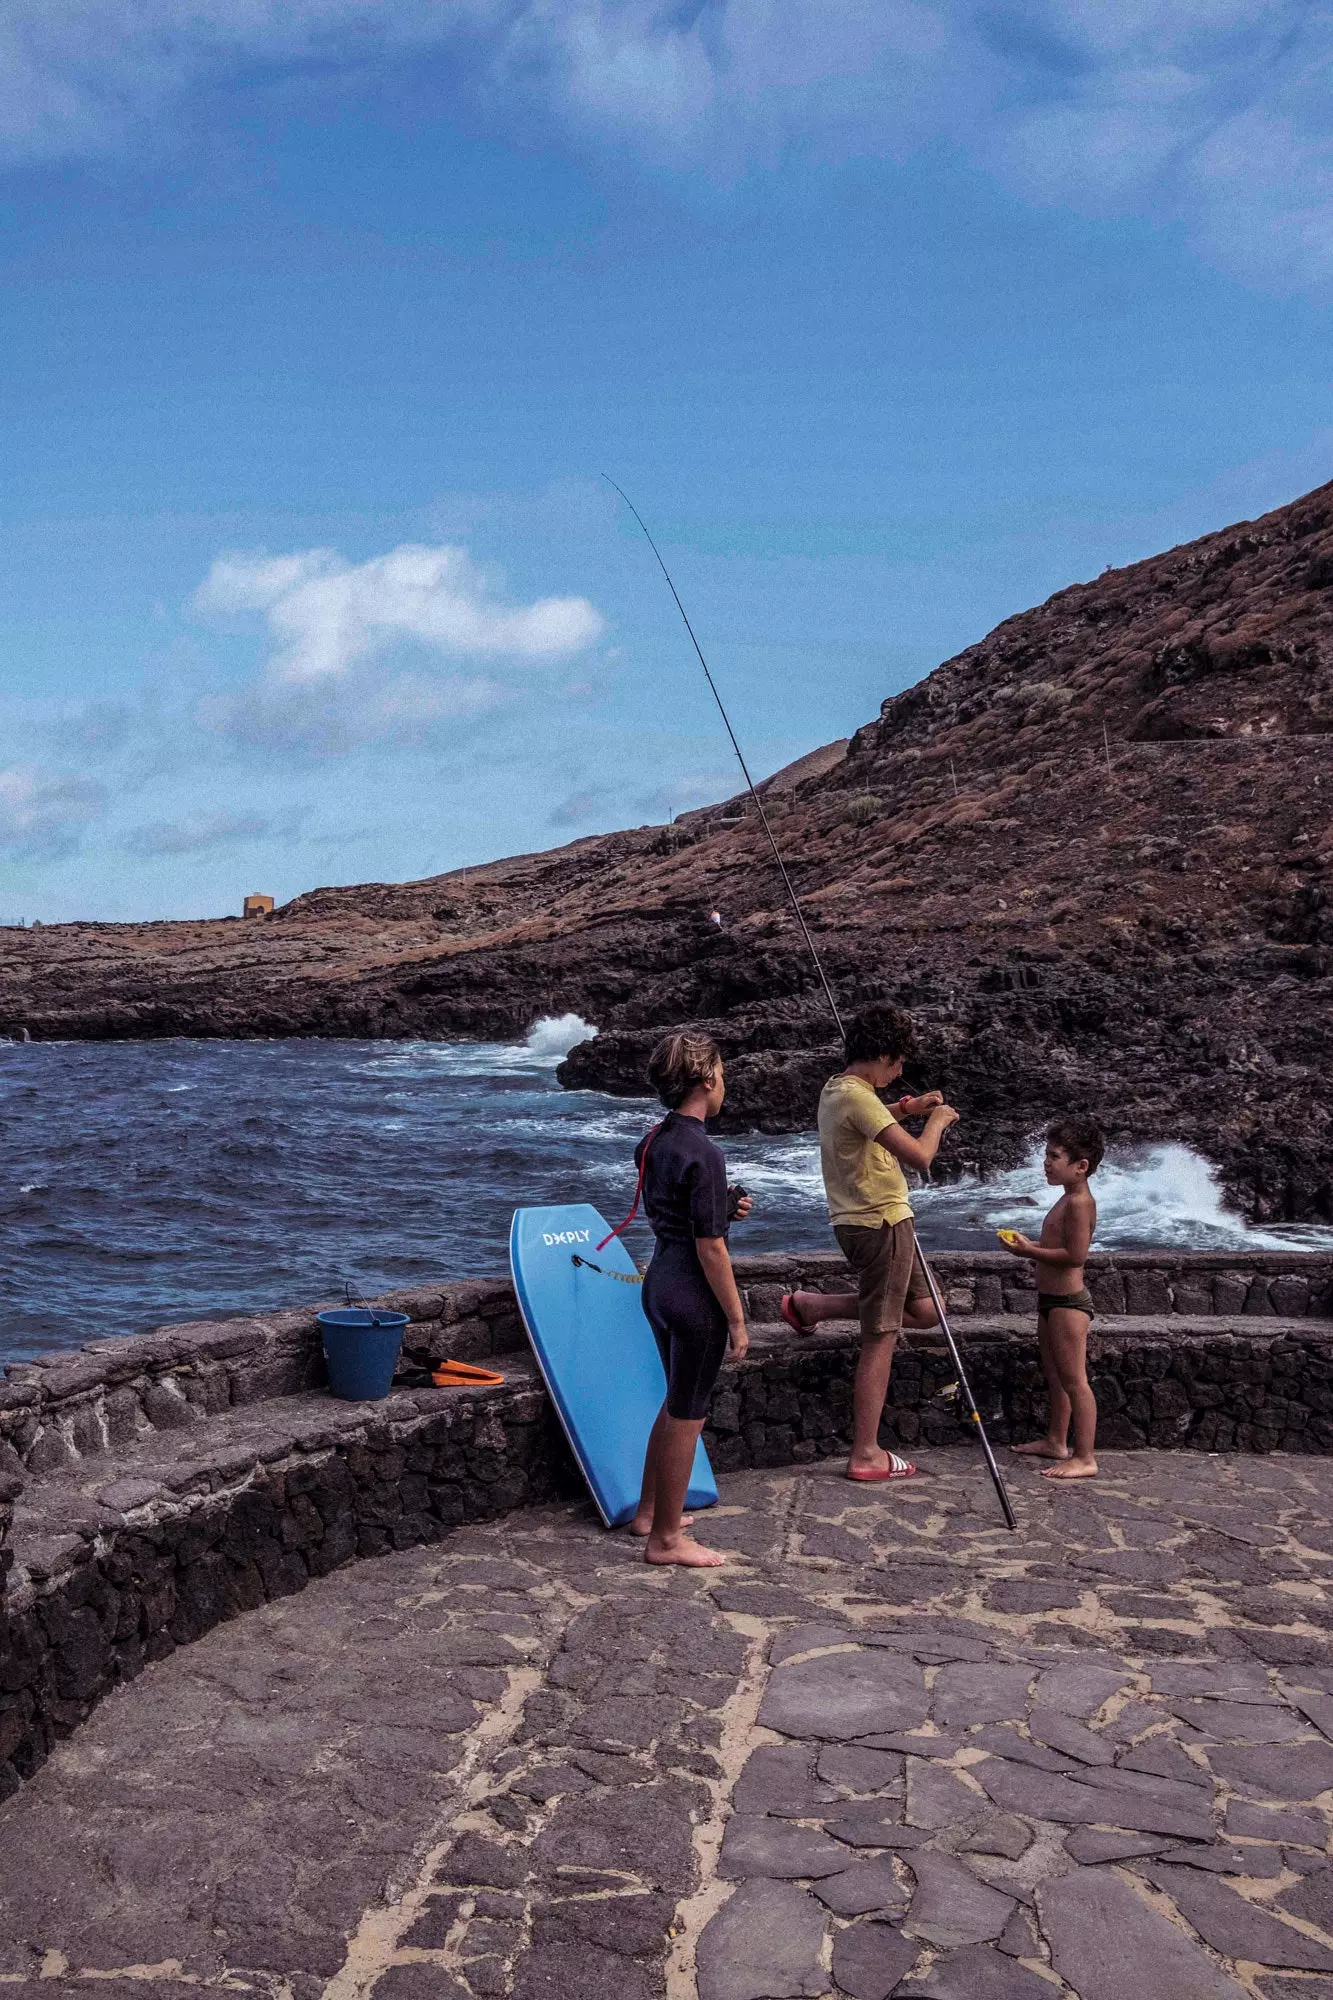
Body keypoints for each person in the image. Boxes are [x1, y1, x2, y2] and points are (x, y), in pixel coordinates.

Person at [781, 1004, 958, 1482]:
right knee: (880, 1337)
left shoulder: (839, 1090)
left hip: (869, 1221)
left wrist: (909, 1107)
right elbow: (920, 1156)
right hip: (881, 1224)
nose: (899, 1071)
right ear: (880, 1055)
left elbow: (869, 1120)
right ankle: (866, 1453)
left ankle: (812, 1306)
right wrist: (937, 1120)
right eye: (897, 1062)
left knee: (926, 1310)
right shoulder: (858, 1099)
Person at [630, 1031, 751, 1566]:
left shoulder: (654, 1140)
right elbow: (711, 1248)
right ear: (707, 1080)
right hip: (692, 1294)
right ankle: (667, 1540)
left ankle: (648, 1513)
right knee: (689, 1411)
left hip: (658, 1283)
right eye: (722, 1073)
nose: (725, 1083)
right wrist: (738, 1318)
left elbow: (676, 1212)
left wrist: (723, 1206)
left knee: (674, 1400)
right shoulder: (706, 1150)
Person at [1004, 1117, 1104, 1480]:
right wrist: (1031, 1246)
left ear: (1081, 1166)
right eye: (1046, 1154)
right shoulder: (1066, 1198)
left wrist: (1029, 1251)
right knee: (1056, 1376)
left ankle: (1085, 1456)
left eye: (1055, 1156)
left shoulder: (1079, 1202)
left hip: (1068, 1304)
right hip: (1051, 1302)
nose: (1047, 1162)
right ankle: (1056, 1441)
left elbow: (1076, 1256)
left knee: (1075, 1381)